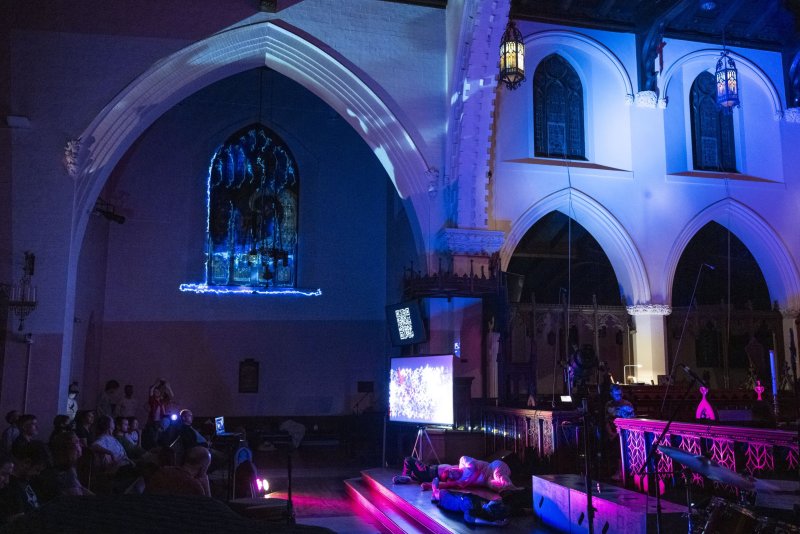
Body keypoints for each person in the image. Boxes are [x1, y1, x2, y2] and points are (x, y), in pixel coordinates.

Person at [0, 440, 49, 523]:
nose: (38, 474)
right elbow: (18, 523)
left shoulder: (29, 480)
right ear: (27, 462)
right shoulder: (10, 489)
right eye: (37, 470)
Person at [38, 431, 93, 501]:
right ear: (68, 448)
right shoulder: (59, 473)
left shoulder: (68, 467)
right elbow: (77, 497)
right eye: (77, 442)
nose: (81, 445)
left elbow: (80, 487)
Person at [144, 446, 211, 497]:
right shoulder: (195, 487)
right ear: (203, 468)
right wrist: (206, 489)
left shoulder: (162, 471)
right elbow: (208, 512)